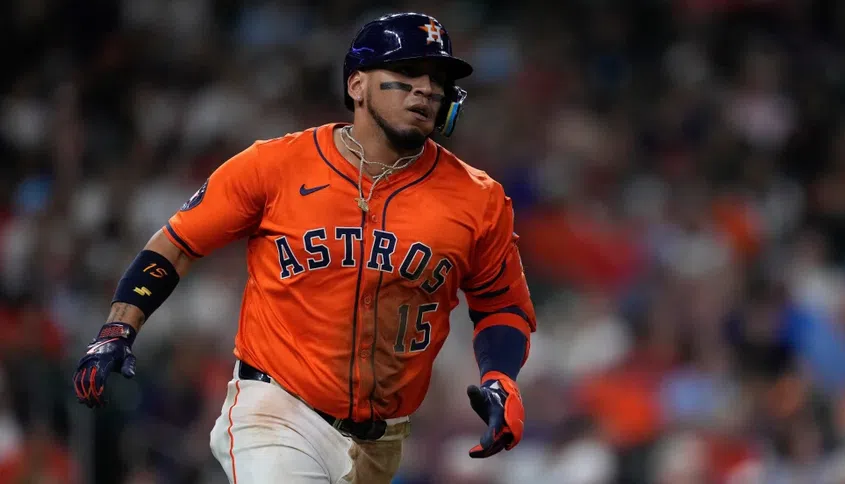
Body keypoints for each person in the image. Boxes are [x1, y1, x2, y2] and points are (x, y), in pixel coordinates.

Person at [72, 12, 537, 483]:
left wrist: (501, 378)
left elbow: (502, 306)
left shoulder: (479, 199)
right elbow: (175, 245)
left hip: (383, 440)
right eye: (407, 72)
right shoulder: (275, 166)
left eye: (437, 79)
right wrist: (118, 328)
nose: (425, 89)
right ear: (357, 85)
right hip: (276, 411)